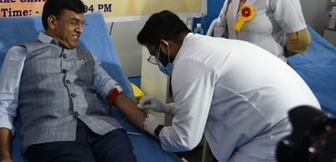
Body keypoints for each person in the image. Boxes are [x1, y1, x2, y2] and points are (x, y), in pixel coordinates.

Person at [137, 10, 320, 162]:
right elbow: (205, 101)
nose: (156, 60)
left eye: (153, 53)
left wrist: (156, 128)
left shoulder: (188, 64)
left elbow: (185, 140)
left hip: (278, 133)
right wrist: (167, 108)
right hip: (307, 119)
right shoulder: (206, 47)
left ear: (164, 45)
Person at [0, 0, 148, 162]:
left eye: (82, 24)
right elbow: (5, 104)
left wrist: (157, 130)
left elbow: (115, 93)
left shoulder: (86, 56)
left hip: (104, 131)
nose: (80, 30)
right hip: (51, 136)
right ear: (52, 22)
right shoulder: (21, 53)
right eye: (73, 23)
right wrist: (5, 156)